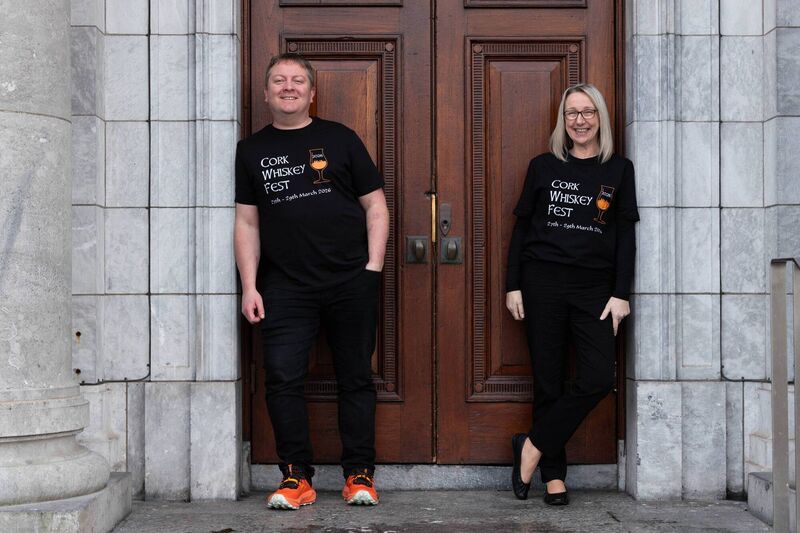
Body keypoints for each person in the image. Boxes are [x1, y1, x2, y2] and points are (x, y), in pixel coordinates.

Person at [234, 53, 389, 510]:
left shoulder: (339, 139)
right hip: (284, 286)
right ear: (265, 93)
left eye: (297, 80)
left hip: (349, 280)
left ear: (311, 92)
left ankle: (359, 474)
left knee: (356, 377)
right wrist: (249, 285)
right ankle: (295, 477)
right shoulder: (251, 150)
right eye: (278, 80)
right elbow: (247, 223)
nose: (288, 87)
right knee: (281, 378)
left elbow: (376, 206)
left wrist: (372, 269)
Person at [506, 83, 639, 505]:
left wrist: (621, 292)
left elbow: (624, 238)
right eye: (571, 114)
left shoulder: (619, 169)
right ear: (562, 121)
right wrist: (513, 284)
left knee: (598, 378)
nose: (579, 121)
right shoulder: (543, 166)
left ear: (600, 118)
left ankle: (531, 446)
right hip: (542, 282)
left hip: (594, 289)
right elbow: (522, 229)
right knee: (547, 380)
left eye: (587, 112)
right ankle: (553, 476)